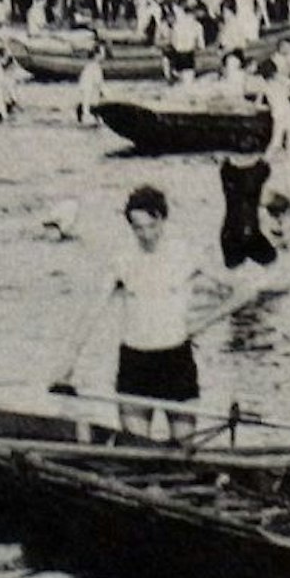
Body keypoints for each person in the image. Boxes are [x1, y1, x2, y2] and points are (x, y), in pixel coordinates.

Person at [55, 186, 252, 442]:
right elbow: (91, 313)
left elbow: (245, 290)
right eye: (138, 228)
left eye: (152, 226)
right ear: (131, 226)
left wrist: (200, 324)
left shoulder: (185, 254)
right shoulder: (121, 260)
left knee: (184, 452)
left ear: (162, 219)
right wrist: (68, 366)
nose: (146, 234)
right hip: (135, 364)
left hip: (176, 361)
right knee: (137, 451)